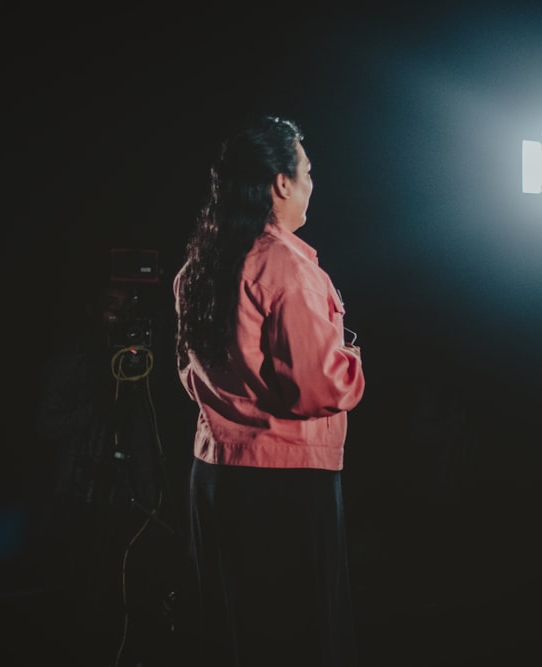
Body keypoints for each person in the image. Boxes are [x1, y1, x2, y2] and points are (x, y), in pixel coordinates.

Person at [173, 115, 365, 667]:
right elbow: (315, 388)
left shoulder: (200, 265)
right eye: (306, 171)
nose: (310, 183)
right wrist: (352, 361)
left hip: (213, 477)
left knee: (229, 632)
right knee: (297, 635)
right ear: (281, 182)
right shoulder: (285, 266)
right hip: (286, 483)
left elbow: (191, 378)